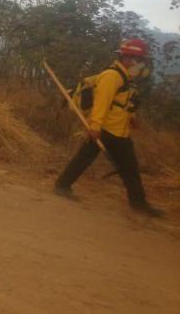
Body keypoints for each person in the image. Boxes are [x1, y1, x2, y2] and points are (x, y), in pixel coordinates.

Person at [54, 38, 164, 217]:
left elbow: (122, 103)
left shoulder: (126, 78)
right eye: (140, 60)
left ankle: (138, 203)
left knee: (127, 167)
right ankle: (62, 186)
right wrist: (95, 126)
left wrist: (131, 118)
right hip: (105, 129)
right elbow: (102, 103)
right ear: (128, 58)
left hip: (119, 131)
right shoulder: (112, 76)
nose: (142, 64)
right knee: (91, 159)